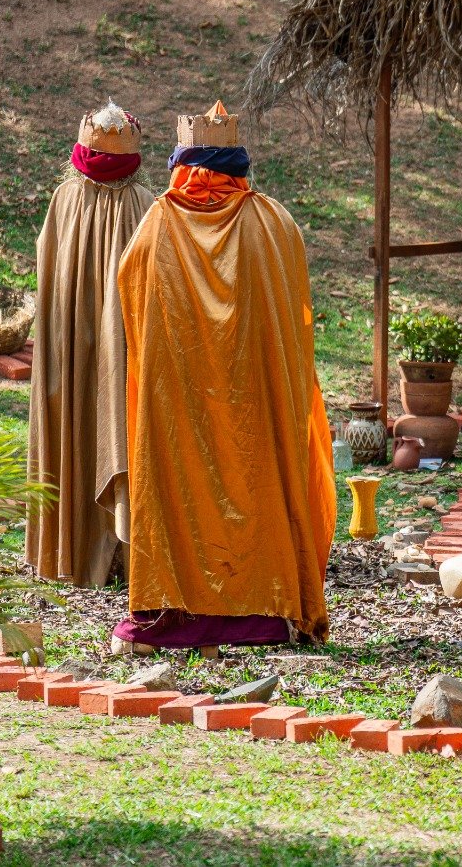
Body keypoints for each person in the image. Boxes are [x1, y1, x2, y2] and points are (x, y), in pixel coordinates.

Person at [113, 102, 335, 652]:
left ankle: (175, 612)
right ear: (239, 167)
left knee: (178, 487)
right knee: (259, 482)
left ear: (182, 166)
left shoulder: (160, 223)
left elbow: (130, 284)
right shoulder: (274, 222)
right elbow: (292, 321)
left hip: (179, 399)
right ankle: (268, 608)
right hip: (256, 402)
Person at [27, 101, 155, 587]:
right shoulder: (145, 204)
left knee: (73, 414)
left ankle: (66, 551)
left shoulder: (65, 199)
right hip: (121, 346)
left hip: (70, 343)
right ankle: (121, 553)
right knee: (118, 415)